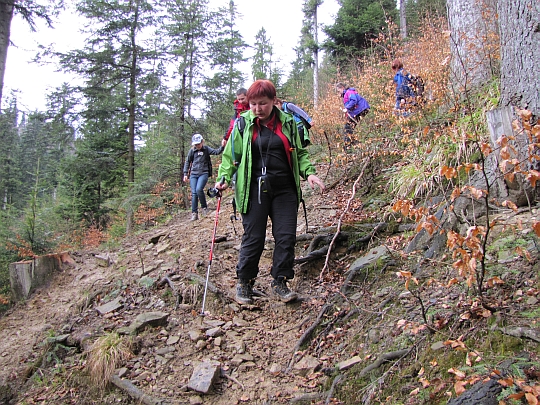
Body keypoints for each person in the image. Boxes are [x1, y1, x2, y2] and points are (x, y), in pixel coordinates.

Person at [214, 79, 325, 305]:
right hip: (253, 189)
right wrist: (223, 178)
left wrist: (309, 173)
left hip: (285, 189)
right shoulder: (243, 124)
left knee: (286, 236)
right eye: (253, 104)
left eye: (262, 104)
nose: (257, 109)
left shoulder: (288, 123)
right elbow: (230, 157)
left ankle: (280, 281)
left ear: (274, 101)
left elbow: (300, 154)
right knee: (253, 237)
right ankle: (245, 282)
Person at [183, 134, 224, 221]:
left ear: (202, 142)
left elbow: (216, 152)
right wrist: (185, 174)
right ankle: (194, 213)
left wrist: (223, 146)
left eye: (198, 144)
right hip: (193, 174)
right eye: (196, 144)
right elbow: (187, 162)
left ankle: (204, 208)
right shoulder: (192, 151)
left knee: (199, 189)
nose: (197, 146)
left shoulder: (206, 149)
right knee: (194, 193)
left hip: (203, 173)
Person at [335, 83, 370, 149]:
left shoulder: (349, 92)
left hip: (361, 109)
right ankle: (353, 143)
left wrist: (347, 108)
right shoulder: (346, 94)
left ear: (342, 88)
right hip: (359, 111)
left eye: (338, 91)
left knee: (348, 127)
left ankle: (348, 146)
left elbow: (354, 100)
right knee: (349, 126)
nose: (338, 93)